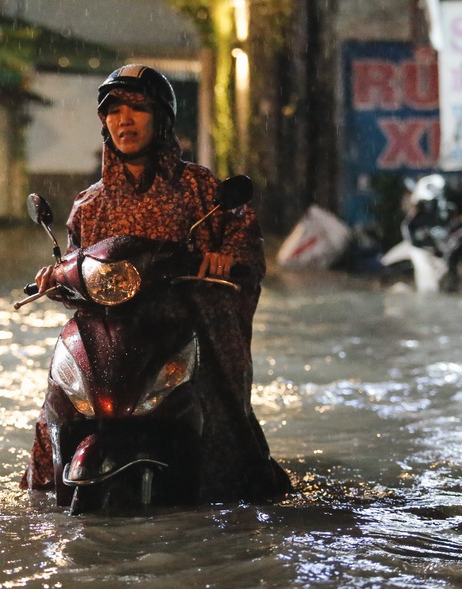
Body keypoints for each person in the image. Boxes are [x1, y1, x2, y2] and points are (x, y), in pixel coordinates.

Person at [21, 64, 291, 502]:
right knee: (59, 398)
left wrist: (228, 260)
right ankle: (46, 483)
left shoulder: (201, 189)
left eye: (137, 109)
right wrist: (56, 275)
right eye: (113, 111)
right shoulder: (88, 205)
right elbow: (75, 260)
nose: (123, 120)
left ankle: (233, 483)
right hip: (111, 333)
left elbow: (243, 241)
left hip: (184, 328)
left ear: (161, 118)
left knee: (223, 412)